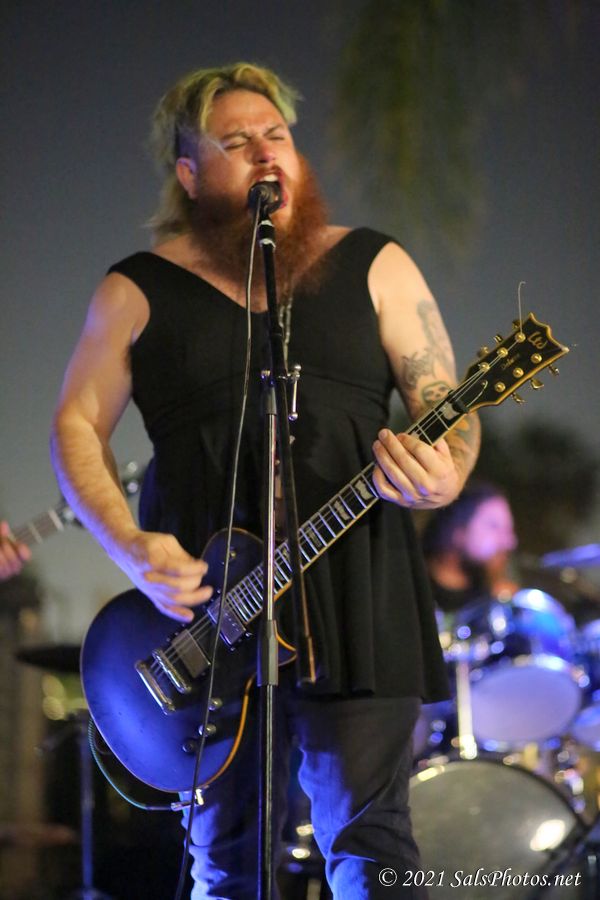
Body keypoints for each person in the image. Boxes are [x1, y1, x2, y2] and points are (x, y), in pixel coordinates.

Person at [50, 62, 480, 899]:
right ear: (188, 173)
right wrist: (128, 544)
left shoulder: (376, 262)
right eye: (236, 142)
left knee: (375, 850)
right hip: (207, 618)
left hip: (359, 592)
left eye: (276, 135)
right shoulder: (136, 288)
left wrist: (446, 470)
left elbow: (446, 405)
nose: (264, 152)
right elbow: (76, 424)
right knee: (228, 864)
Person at [421, 480, 518, 617]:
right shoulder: (409, 585)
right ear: (458, 531)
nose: (509, 542)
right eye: (494, 526)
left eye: (508, 530)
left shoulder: (494, 608)